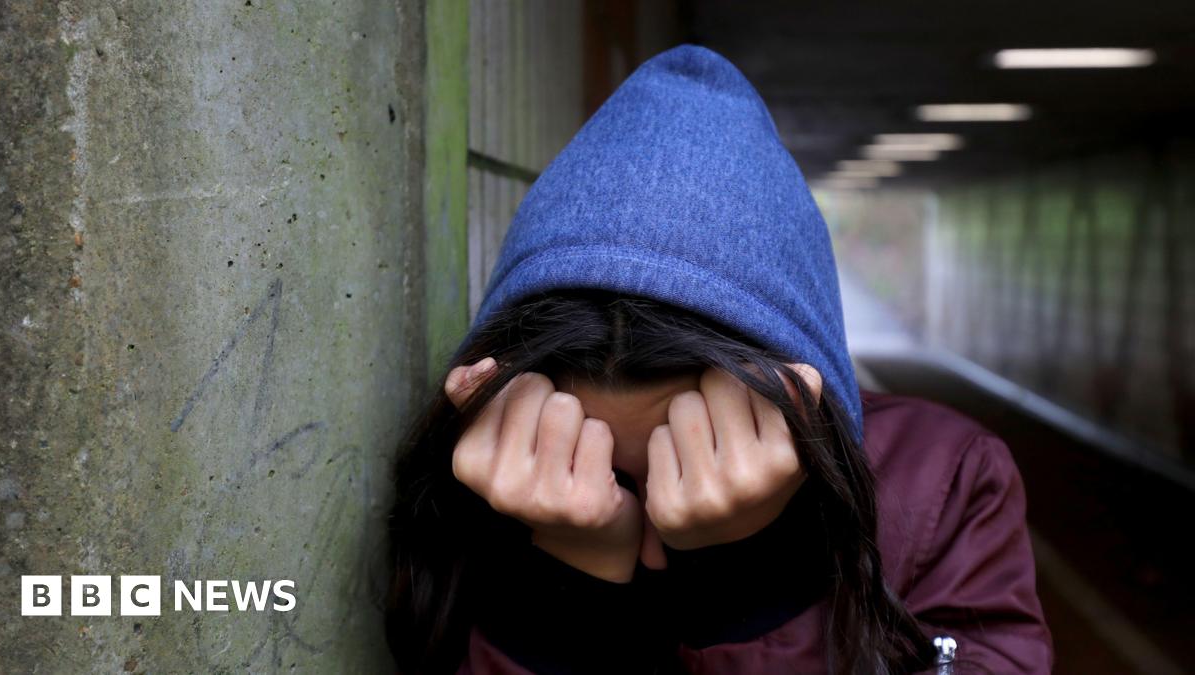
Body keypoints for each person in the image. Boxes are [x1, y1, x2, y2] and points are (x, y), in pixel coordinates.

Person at [386, 44, 1053, 675]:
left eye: (696, 448)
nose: (657, 513)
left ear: (793, 399)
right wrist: (562, 603)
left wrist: (751, 582)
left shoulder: (946, 483)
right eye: (605, 471)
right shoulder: (476, 496)